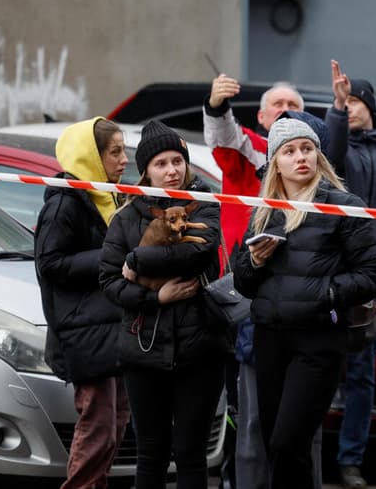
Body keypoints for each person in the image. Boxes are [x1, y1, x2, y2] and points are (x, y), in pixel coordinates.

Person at [233, 118, 376, 489]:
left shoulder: (343, 206)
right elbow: (242, 282)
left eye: (307, 149)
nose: (300, 157)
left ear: (319, 155)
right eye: (289, 151)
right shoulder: (263, 208)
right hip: (270, 338)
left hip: (318, 340)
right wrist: (254, 261)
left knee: (289, 441)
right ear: (276, 162)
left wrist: (327, 293)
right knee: (279, 446)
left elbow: (375, 272)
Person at [203, 75, 325, 489]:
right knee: (248, 413)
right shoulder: (248, 151)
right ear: (259, 117)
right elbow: (223, 133)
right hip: (247, 297)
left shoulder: (317, 175)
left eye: (295, 103)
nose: (286, 110)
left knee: (298, 423)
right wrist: (217, 107)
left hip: (304, 312)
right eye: (278, 104)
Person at [99, 120, 227, 488]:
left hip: (199, 347)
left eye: (177, 161)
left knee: (190, 455)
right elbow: (108, 281)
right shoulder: (125, 217)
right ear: (146, 171)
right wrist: (155, 297)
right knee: (150, 455)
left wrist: (137, 261)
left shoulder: (202, 204)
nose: (171, 170)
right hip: (144, 349)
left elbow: (196, 254)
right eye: (160, 163)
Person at [34, 117, 131, 489]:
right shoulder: (65, 204)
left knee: (116, 424)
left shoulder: (108, 197)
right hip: (84, 334)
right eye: (115, 151)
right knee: (98, 426)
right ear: (90, 156)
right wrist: (110, 256)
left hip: (112, 328)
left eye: (124, 150)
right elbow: (50, 264)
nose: (124, 160)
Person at [324, 60, 376, 489]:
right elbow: (330, 153)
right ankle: (314, 455)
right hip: (330, 276)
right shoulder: (341, 145)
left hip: (372, 282)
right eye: (346, 101)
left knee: (361, 373)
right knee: (319, 367)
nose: (351, 107)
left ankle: (351, 460)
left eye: (355, 101)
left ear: (370, 105)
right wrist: (336, 111)